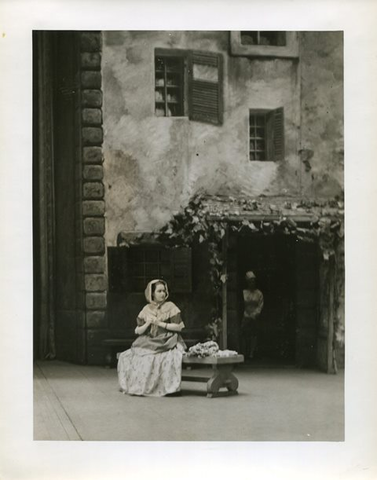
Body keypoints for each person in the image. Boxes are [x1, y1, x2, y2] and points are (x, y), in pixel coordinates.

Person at [117, 279, 186, 397]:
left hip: (168, 339)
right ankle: (142, 386)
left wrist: (160, 324)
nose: (163, 294)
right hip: (150, 340)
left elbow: (179, 327)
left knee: (163, 359)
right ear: (152, 293)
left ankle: (162, 387)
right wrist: (147, 323)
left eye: (164, 291)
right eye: (159, 291)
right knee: (133, 357)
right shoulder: (146, 309)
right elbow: (138, 331)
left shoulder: (171, 306)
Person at [240, 271, 264, 359]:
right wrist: (246, 314)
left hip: (255, 317)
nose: (252, 283)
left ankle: (252, 352)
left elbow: (260, 305)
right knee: (244, 334)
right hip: (245, 315)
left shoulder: (259, 293)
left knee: (254, 335)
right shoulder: (244, 292)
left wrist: (255, 314)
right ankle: (244, 352)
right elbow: (241, 304)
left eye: (253, 281)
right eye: (250, 281)